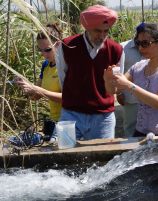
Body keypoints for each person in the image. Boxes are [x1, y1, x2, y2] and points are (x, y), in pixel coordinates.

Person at [55, 5, 124, 140]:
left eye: (106, 31)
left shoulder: (116, 50)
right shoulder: (67, 46)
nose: (102, 35)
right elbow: (63, 78)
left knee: (102, 158)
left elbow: (116, 85)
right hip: (71, 114)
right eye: (98, 31)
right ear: (86, 28)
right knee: (63, 155)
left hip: (103, 117)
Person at [104, 23, 158, 136]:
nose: (140, 48)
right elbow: (114, 90)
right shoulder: (139, 66)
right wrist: (108, 80)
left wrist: (128, 85)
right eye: (138, 43)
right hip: (141, 131)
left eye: (145, 43)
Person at [16, 23, 63, 141]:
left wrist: (37, 89)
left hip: (68, 121)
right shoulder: (45, 65)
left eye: (47, 49)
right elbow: (35, 96)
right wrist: (26, 86)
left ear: (57, 44)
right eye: (40, 50)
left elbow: (67, 98)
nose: (43, 54)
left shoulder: (65, 66)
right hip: (54, 120)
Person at [117, 30, 143, 137]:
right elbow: (118, 73)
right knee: (130, 126)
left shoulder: (152, 47)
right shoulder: (122, 48)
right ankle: (130, 151)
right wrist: (119, 93)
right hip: (130, 97)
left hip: (150, 96)